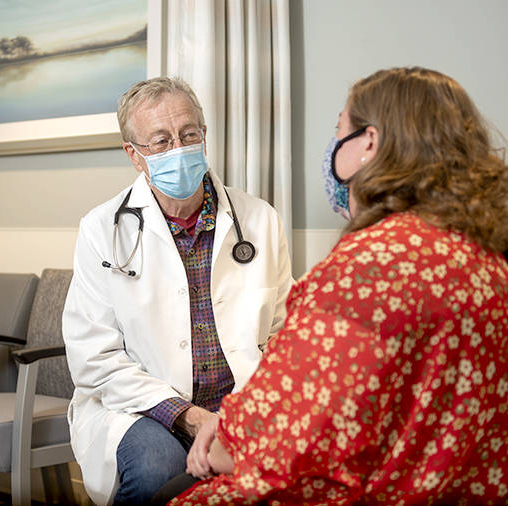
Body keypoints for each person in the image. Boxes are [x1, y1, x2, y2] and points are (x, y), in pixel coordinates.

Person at [156, 67, 508, 505]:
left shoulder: (367, 268)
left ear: (368, 143)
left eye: (338, 130)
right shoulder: (486, 258)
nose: (332, 148)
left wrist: (227, 429)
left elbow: (249, 449)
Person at [62, 76, 293, 506]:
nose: (179, 149)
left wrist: (254, 410)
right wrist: (189, 417)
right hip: (140, 407)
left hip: (240, 400)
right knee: (158, 469)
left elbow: (284, 330)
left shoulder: (259, 219)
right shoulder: (101, 230)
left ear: (204, 137)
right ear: (134, 155)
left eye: (189, 135)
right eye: (161, 141)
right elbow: (94, 358)